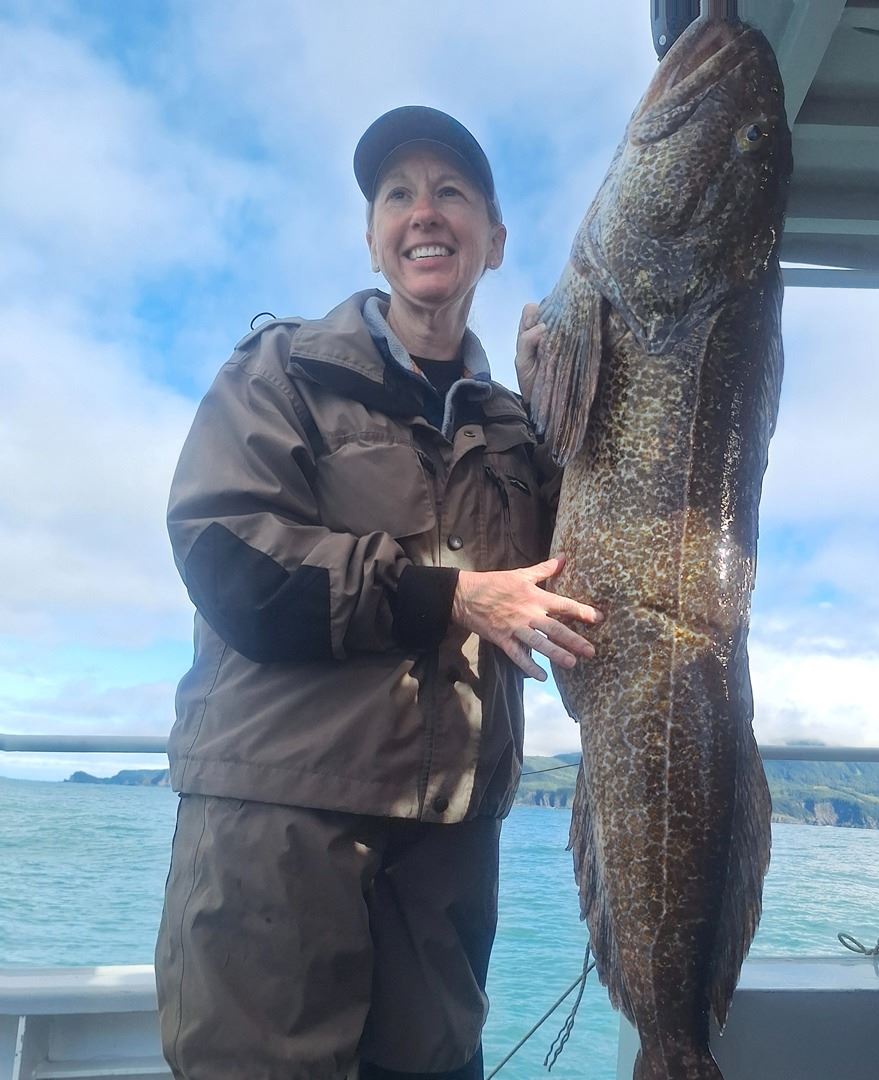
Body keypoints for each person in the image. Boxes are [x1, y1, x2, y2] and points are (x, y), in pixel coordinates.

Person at [154, 105, 600, 1080]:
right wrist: (452, 601)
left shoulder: (519, 431)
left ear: (493, 241)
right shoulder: (279, 374)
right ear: (372, 238)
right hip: (278, 836)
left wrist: (570, 409)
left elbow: (587, 573)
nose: (423, 212)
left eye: (451, 193)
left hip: (446, 854)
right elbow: (231, 559)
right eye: (398, 194)